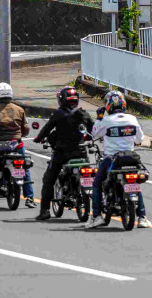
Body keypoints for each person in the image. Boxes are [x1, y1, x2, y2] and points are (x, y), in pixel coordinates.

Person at [87, 91, 149, 229]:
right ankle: (142, 217)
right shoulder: (132, 119)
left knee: (97, 183)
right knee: (135, 185)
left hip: (111, 159)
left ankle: (96, 216)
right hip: (131, 158)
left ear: (108, 106)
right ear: (124, 104)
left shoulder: (106, 121)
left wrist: (98, 118)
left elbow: (94, 134)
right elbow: (140, 139)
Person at [34, 86, 94, 221]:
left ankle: (45, 211)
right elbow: (93, 129)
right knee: (90, 175)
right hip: (80, 152)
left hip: (62, 152)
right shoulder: (83, 113)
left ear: (62, 99)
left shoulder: (59, 113)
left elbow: (47, 128)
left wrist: (38, 138)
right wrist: (88, 139)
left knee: (49, 179)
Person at [0, 82, 35, 207]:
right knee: (25, 167)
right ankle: (30, 198)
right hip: (16, 144)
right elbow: (25, 129)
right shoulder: (19, 109)